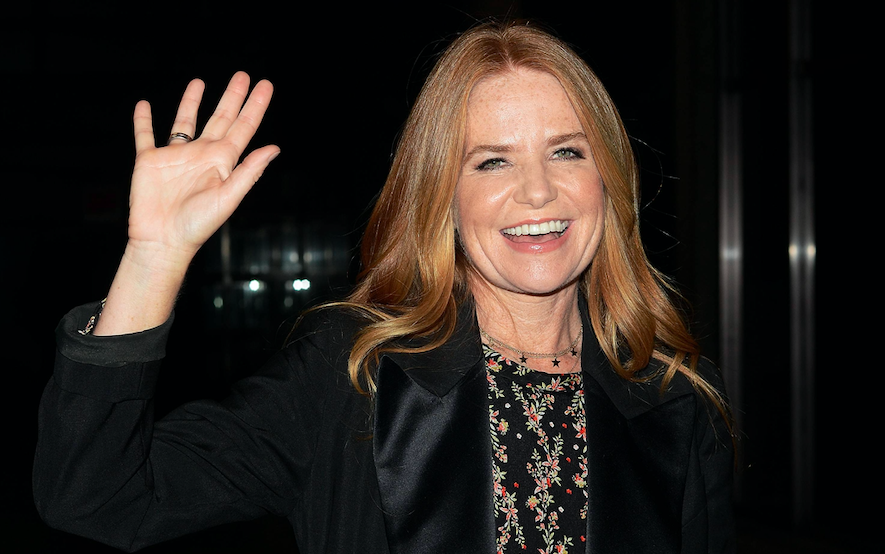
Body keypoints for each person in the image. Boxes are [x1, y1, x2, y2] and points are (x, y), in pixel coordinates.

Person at [34, 20, 735, 553]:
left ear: (606, 178)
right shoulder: (351, 375)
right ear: (441, 196)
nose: (537, 191)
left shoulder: (676, 393)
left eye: (566, 151)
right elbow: (98, 499)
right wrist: (154, 258)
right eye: (491, 162)